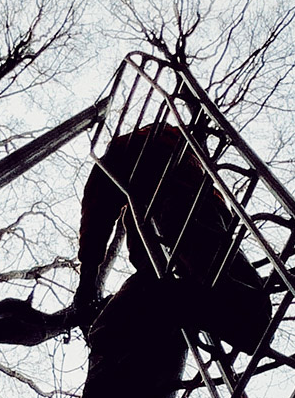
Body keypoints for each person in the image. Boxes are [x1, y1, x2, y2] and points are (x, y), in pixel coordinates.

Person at [73, 119, 271, 352]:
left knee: (245, 312)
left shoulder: (133, 147)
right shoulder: (188, 158)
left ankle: (148, 305)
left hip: (177, 208)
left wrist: (88, 274)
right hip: (199, 215)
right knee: (247, 313)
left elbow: (97, 208)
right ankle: (153, 305)